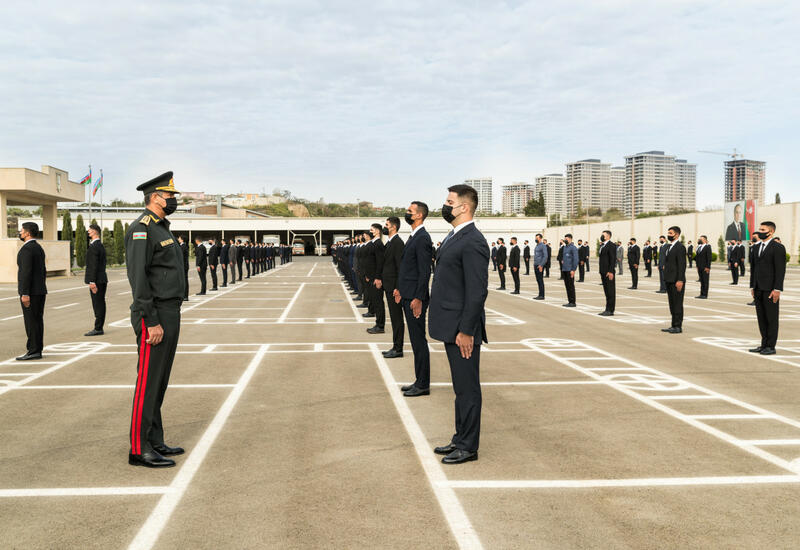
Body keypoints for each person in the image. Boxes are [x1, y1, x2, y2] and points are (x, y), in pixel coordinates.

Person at [124, 171, 186, 468]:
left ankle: (155, 438)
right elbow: (138, 279)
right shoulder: (142, 229)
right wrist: (150, 321)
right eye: (170, 195)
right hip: (155, 313)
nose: (174, 200)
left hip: (170, 311)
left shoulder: (163, 228)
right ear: (155, 197)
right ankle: (139, 448)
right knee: (148, 381)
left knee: (159, 381)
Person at [429, 184, 488, 464]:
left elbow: (477, 292)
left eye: (449, 201)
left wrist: (466, 330)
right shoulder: (456, 236)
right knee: (460, 388)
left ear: (464, 207)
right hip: (451, 325)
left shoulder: (473, 240)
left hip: (462, 329)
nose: (445, 205)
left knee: (468, 388)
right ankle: (460, 437)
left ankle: (468, 446)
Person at [394, 202, 433, 397]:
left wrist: (418, 297)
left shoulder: (423, 238)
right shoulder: (414, 236)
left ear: (419, 216)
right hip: (407, 294)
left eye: (410, 211)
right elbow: (408, 268)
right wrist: (400, 289)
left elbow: (424, 271)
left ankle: (423, 384)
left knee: (419, 341)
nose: (406, 213)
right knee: (415, 341)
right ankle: (419, 380)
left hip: (415, 299)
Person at [749, 221, 785, 355]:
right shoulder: (756, 247)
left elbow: (780, 270)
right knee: (761, 318)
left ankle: (771, 346)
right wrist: (752, 286)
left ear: (771, 232)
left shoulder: (778, 247)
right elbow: (754, 269)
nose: (759, 231)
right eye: (759, 229)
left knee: (771, 318)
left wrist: (777, 289)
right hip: (758, 288)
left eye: (762, 229)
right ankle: (764, 344)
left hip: (770, 289)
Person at [16, 221, 47, 361]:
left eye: (22, 230)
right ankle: (37, 349)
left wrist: (25, 292)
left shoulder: (27, 249)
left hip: (31, 292)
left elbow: (25, 273)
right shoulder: (38, 248)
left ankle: (33, 350)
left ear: (28, 233)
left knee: (31, 322)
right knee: (37, 321)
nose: (20, 232)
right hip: (39, 291)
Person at [380, 216, 405, 354]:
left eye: (387, 224)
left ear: (393, 227)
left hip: (394, 288)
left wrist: (398, 288)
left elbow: (400, 267)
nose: (385, 226)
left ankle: (398, 348)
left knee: (397, 318)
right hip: (389, 286)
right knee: (394, 318)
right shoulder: (390, 242)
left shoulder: (397, 243)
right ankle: (395, 346)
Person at [661, 226, 686, 334]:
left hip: (677, 280)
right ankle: (673, 324)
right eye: (668, 233)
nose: (668, 235)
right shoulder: (669, 246)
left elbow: (682, 265)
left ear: (676, 234)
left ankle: (678, 326)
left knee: (677, 303)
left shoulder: (680, 247)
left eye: (670, 233)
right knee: (672, 303)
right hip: (669, 279)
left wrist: (680, 280)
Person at [85, 223, 108, 335]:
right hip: (101, 279)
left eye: (89, 230)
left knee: (98, 304)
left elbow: (93, 265)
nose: (88, 231)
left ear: (94, 231)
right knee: (100, 303)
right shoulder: (100, 245)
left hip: (97, 280)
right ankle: (99, 326)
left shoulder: (95, 246)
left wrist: (92, 281)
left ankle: (98, 328)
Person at [365, 223, 386, 334]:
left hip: (376, 279)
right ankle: (378, 323)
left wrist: (378, 278)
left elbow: (380, 263)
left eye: (372, 230)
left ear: (378, 231)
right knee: (375, 301)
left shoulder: (378, 244)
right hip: (372, 277)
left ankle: (380, 326)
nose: (370, 231)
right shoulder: (374, 243)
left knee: (378, 303)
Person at [598, 230, 616, 315]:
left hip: (608, 272)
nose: (602, 236)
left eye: (603, 235)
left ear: (608, 236)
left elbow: (613, 259)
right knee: (606, 291)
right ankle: (607, 309)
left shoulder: (611, 245)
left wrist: (610, 271)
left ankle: (610, 310)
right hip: (603, 271)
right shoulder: (603, 245)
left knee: (610, 291)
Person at [561, 234, 578, 307]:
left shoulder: (573, 248)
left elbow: (576, 259)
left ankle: (573, 302)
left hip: (570, 270)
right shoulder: (565, 247)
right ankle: (569, 301)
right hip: (565, 269)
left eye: (566, 239)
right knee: (567, 286)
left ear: (570, 239)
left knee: (571, 286)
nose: (565, 240)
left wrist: (573, 269)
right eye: (565, 238)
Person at [532, 233, 546, 300]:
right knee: (538, 280)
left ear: (540, 238)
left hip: (539, 265)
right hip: (536, 265)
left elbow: (545, 256)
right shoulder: (537, 246)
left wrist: (541, 265)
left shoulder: (543, 246)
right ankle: (540, 294)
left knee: (540, 280)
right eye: (535, 238)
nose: (536, 239)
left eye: (537, 238)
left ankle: (542, 295)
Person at [177, 235, 190, 300]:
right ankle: (184, 295)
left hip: (184, 266)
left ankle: (185, 296)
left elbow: (181, 257)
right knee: (184, 280)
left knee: (184, 281)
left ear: (182, 239)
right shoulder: (183, 246)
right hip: (184, 265)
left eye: (179, 238)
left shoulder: (183, 246)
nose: (178, 239)